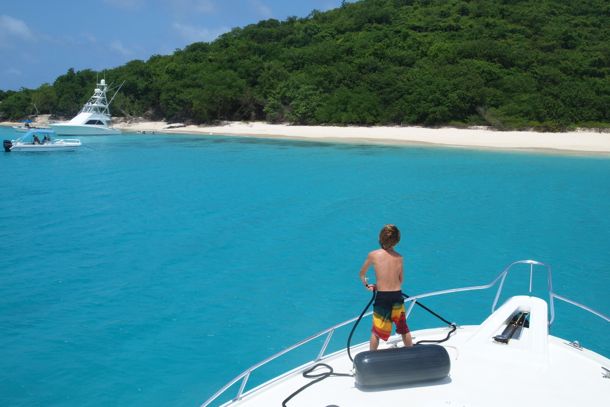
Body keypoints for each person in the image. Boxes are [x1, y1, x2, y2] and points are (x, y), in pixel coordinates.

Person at [359, 224, 413, 350]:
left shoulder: (373, 255)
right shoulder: (399, 258)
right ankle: (411, 353)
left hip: (382, 297)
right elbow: (400, 280)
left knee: (376, 332)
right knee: (404, 329)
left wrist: (368, 285)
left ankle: (372, 357)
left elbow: (362, 273)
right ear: (396, 241)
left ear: (380, 238)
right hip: (396, 295)